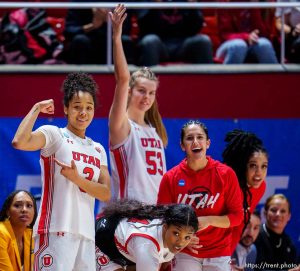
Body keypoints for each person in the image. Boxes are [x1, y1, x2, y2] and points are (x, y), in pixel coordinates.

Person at [12, 72, 111, 270]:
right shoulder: (54, 134)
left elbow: (106, 193)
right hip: (55, 231)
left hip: (86, 236)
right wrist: (36, 109)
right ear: (66, 108)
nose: (83, 112)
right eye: (77, 107)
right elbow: (19, 142)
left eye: (88, 108)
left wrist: (77, 179)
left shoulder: (98, 149)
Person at [157, 120, 244, 271]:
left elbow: (237, 217)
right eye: (189, 138)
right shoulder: (170, 178)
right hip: (185, 251)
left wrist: (209, 220)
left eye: (200, 137)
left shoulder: (226, 174)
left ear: (208, 143)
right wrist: (182, 239)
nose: (195, 142)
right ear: (182, 146)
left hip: (219, 251)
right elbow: (163, 219)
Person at [109, 4, 168, 204]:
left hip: (157, 215)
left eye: (152, 93)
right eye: (141, 91)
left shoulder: (155, 130)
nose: (147, 97)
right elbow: (123, 79)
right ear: (129, 92)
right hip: (129, 215)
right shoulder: (122, 126)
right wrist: (116, 37)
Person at [95, 199, 198, 271]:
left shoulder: (167, 221)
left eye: (187, 237)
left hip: (122, 245)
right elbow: (148, 252)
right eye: (176, 233)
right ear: (165, 227)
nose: (180, 242)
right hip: (100, 242)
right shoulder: (147, 246)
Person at [222, 129, 269, 253]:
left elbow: (239, 227)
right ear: (242, 165)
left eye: (264, 166)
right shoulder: (225, 184)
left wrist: (227, 257)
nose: (259, 173)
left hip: (224, 256)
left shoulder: (260, 187)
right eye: (253, 165)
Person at [136, 0, 213, 66]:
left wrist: (192, 7)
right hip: (159, 42)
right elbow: (144, 26)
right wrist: (155, 6)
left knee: (203, 41)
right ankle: (148, 81)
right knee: (150, 41)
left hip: (183, 42)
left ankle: (209, 82)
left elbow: (195, 28)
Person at [64, 0, 134, 64]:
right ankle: (79, 76)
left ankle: (126, 76)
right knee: (80, 40)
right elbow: (69, 31)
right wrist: (93, 26)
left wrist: (111, 20)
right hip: (89, 39)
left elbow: (127, 29)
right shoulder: (79, 2)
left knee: (125, 40)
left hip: (111, 38)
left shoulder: (120, 3)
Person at [254, 194, 298, 271]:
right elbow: (254, 268)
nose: (278, 214)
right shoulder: (255, 235)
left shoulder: (289, 242)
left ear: (289, 216)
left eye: (283, 211)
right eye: (274, 210)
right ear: (265, 213)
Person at [0, 190, 37, 271]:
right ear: (7, 212)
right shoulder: (1, 233)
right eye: (17, 205)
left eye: (29, 206)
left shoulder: (31, 235)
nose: (24, 210)